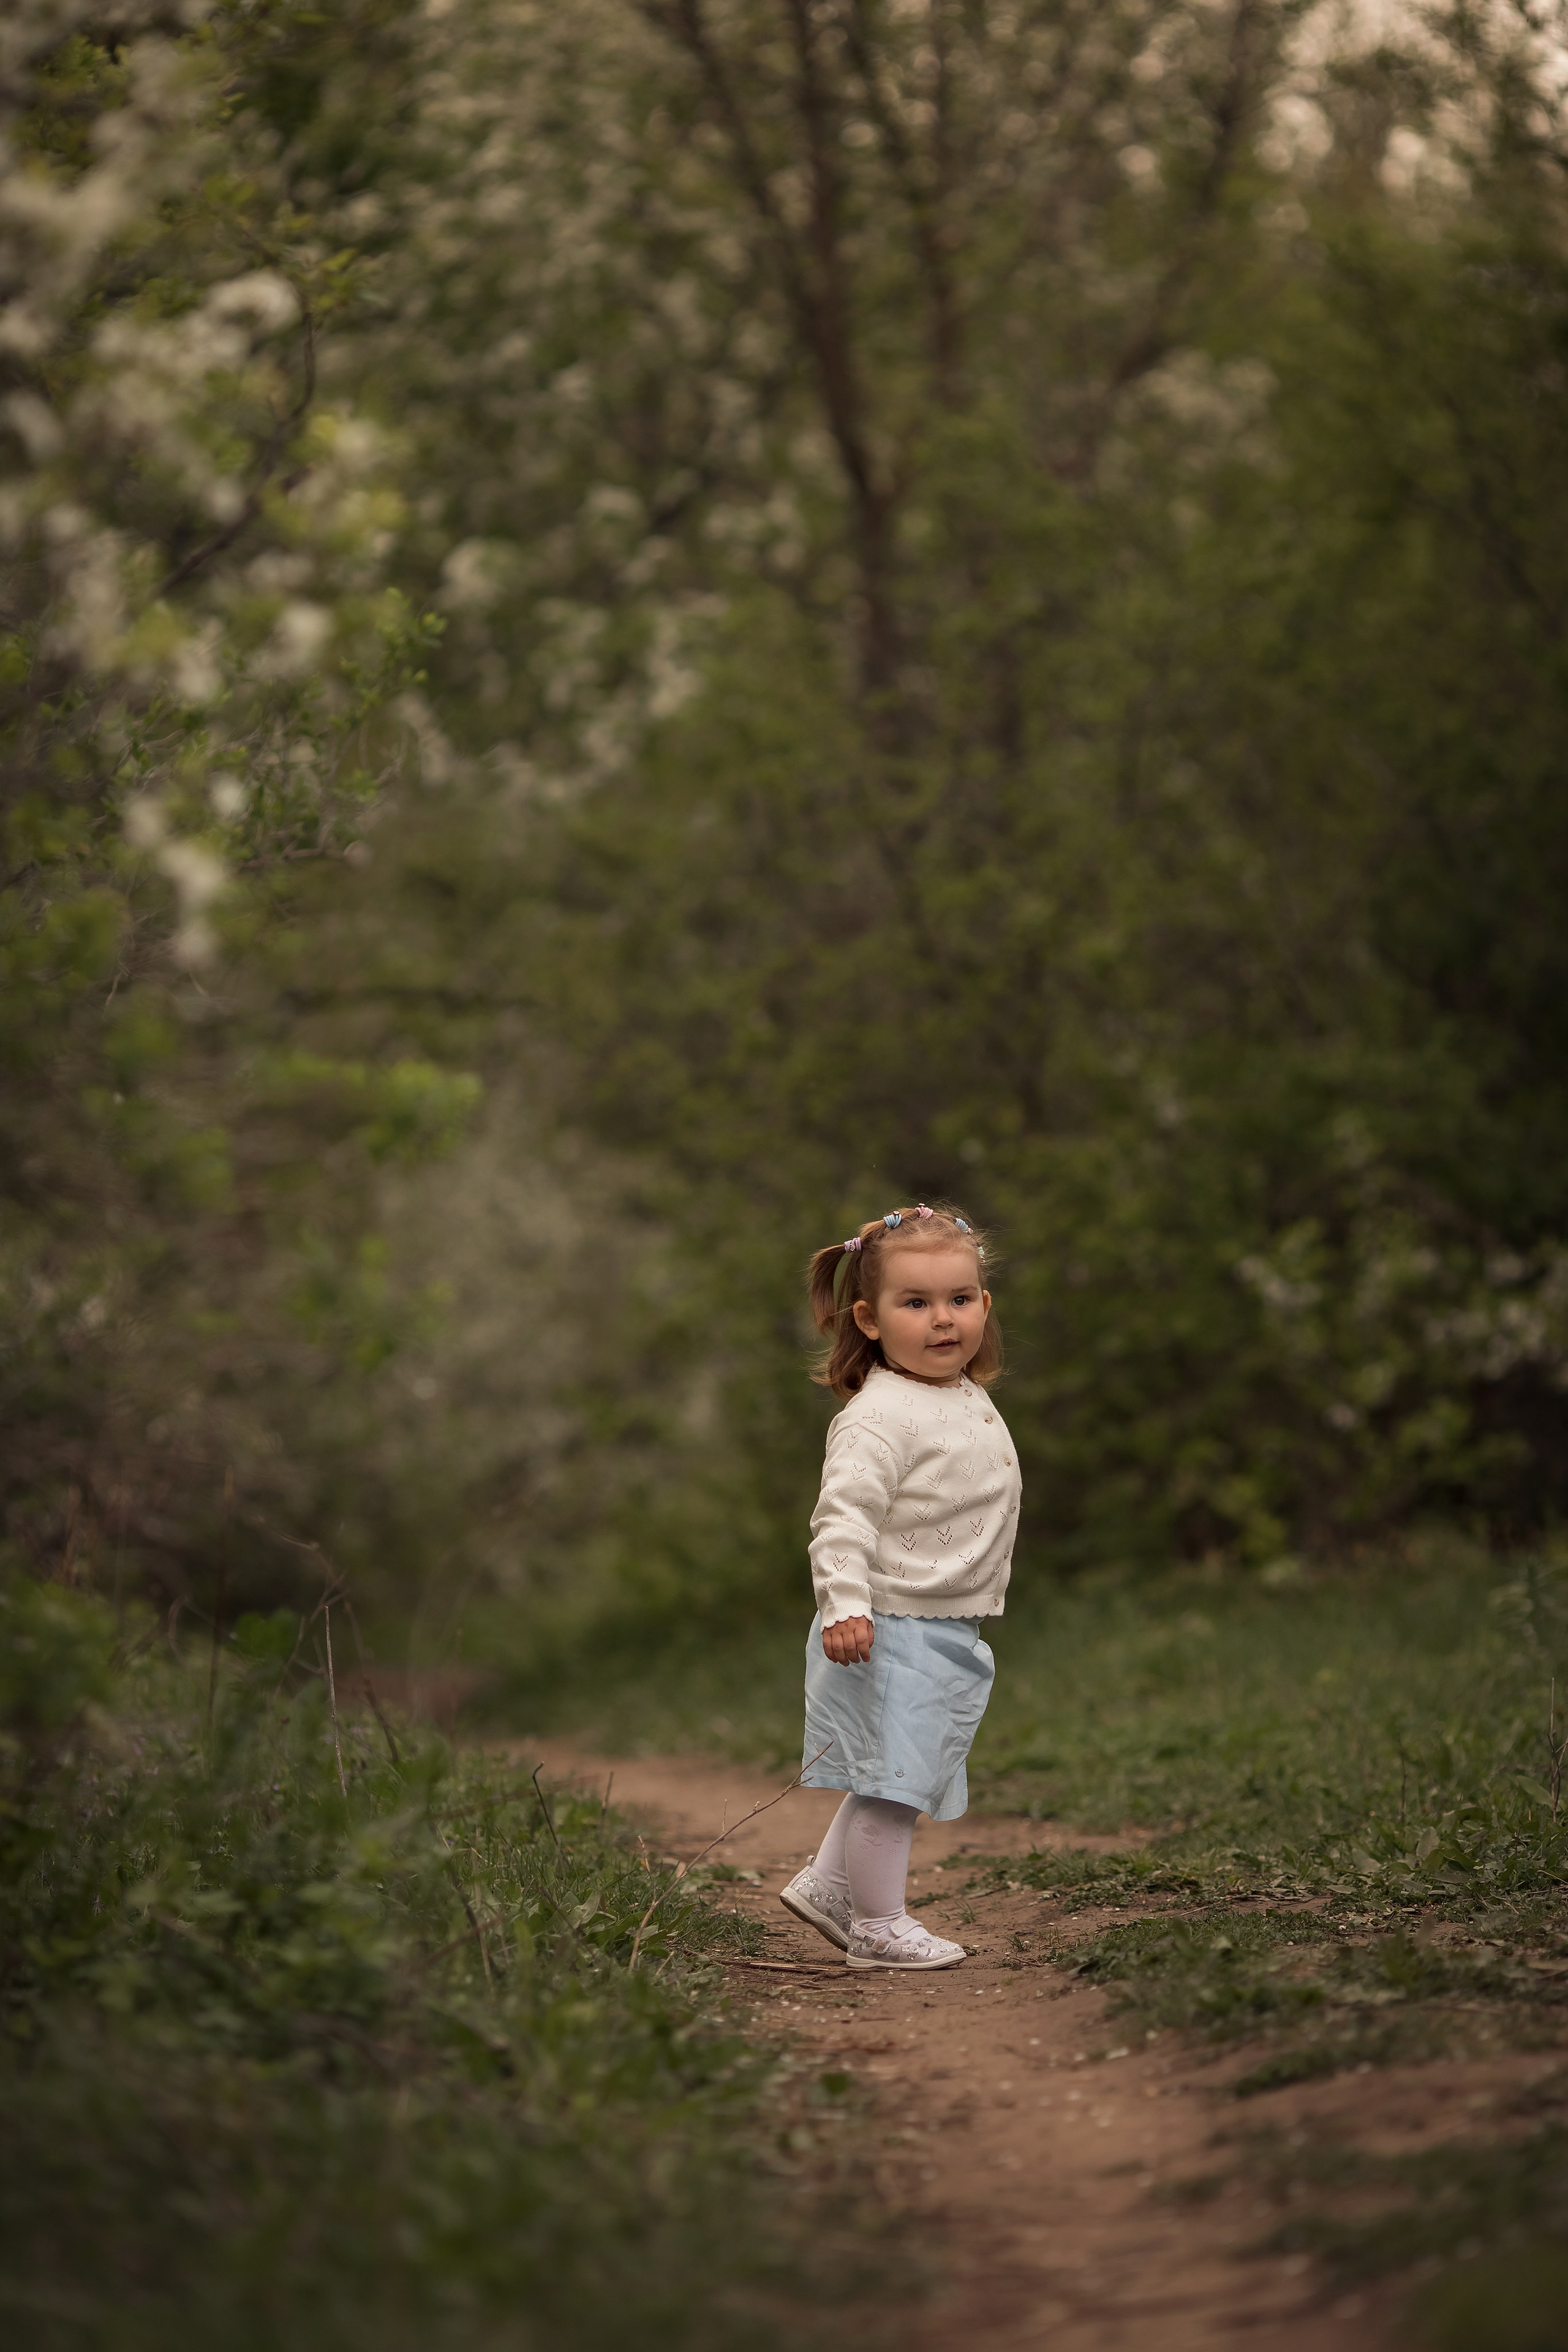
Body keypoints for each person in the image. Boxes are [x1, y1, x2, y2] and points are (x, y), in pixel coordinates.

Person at [780, 1204, 1021, 1972]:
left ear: (985, 1305)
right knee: (892, 1785)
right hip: (889, 1625)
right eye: (915, 1303)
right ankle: (878, 1925)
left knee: (895, 1765)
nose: (942, 1320)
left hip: (940, 1622)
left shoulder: (955, 1393)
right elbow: (842, 1522)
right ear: (870, 1318)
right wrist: (844, 1605)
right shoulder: (879, 1416)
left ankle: (829, 1886)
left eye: (959, 1299)